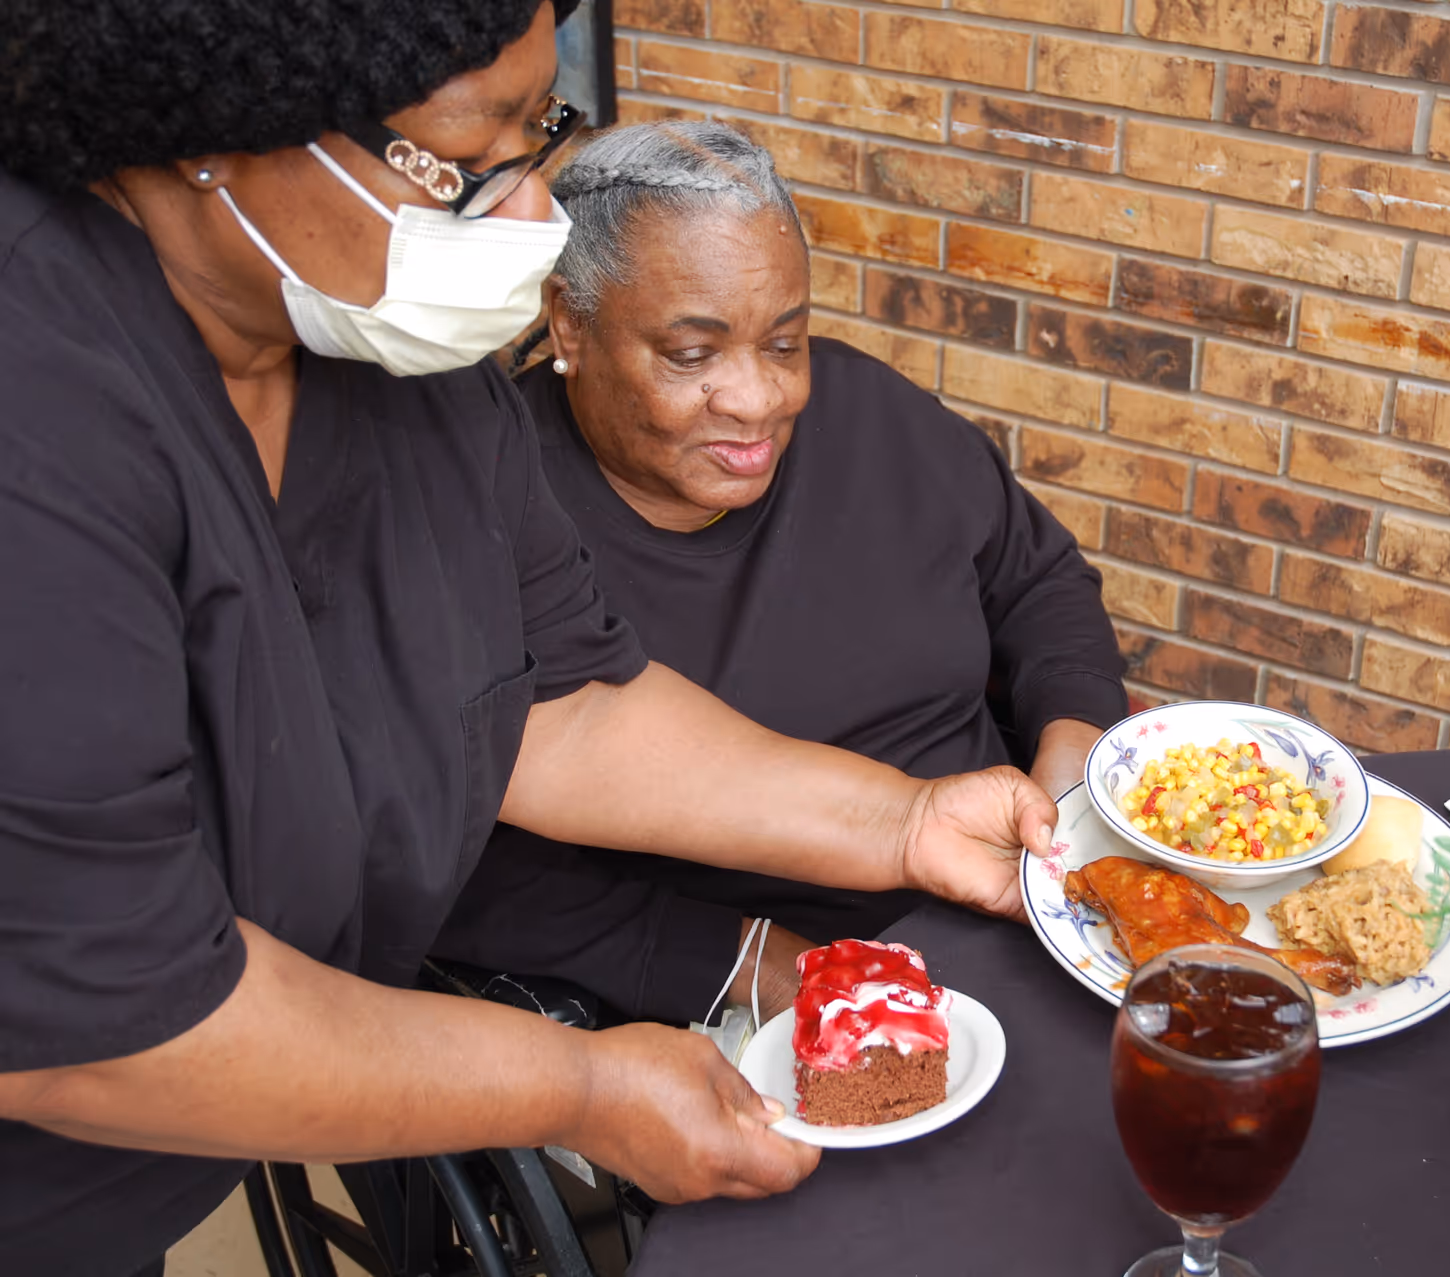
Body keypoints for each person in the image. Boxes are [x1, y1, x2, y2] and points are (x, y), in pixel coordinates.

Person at [0, 6, 1057, 1275]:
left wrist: (904, 820)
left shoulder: (396, 366)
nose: (529, 217)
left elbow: (566, 706)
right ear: (212, 134)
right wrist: (580, 1086)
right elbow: (107, 1019)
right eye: (468, 152)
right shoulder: (40, 409)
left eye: (537, 127)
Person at [433, 122, 1129, 1022]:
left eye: (785, 342)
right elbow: (473, 859)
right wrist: (760, 966)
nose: (760, 399)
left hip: (1018, 900)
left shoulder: (871, 415)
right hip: (760, 990)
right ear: (571, 319)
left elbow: (1040, 582)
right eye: (692, 355)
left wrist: (1073, 786)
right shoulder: (486, 501)